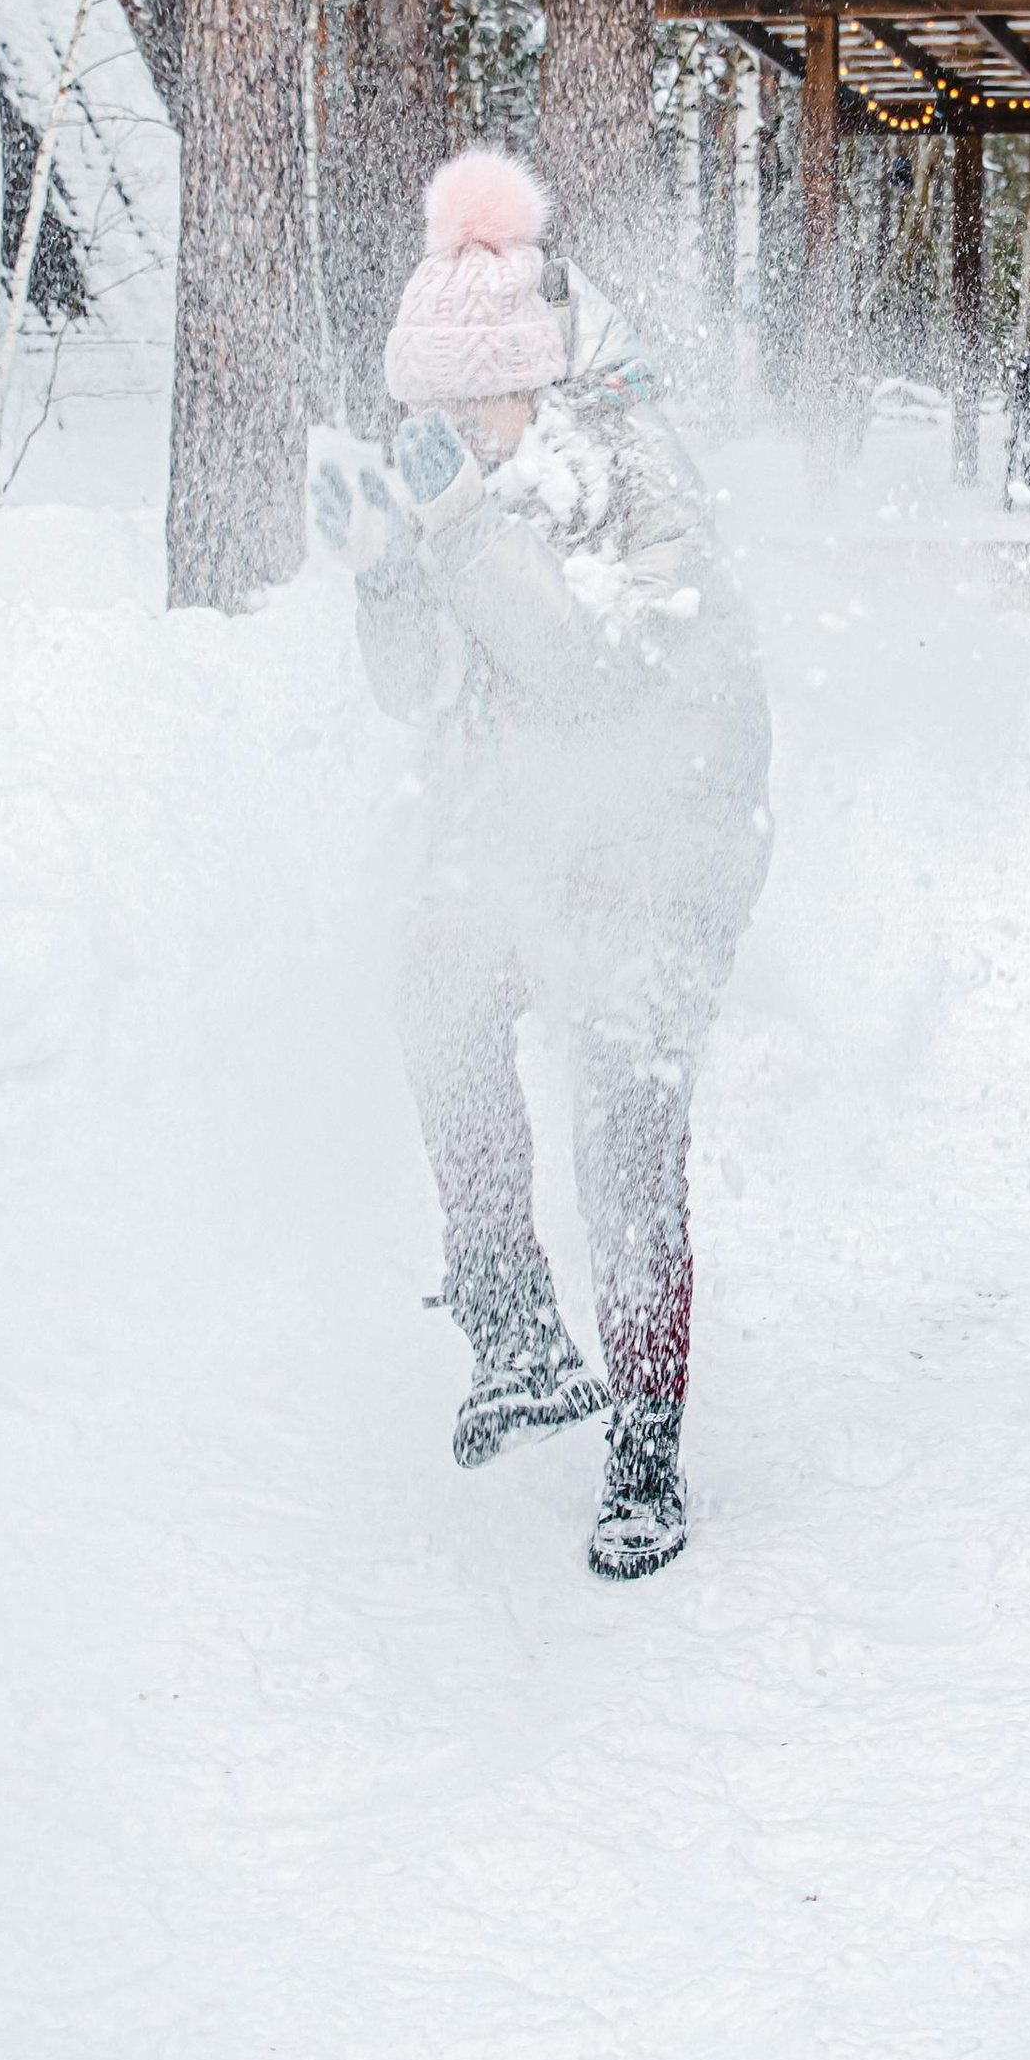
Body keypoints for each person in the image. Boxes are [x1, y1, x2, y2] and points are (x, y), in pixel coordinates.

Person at [312, 149, 771, 1580]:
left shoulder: (634, 476)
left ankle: (646, 1439)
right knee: (438, 991)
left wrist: (454, 533)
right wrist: (390, 574)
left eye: (467, 407)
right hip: (532, 826)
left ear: (535, 385)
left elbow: (583, 670)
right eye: (424, 413)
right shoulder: (474, 485)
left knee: (624, 1127)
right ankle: (514, 1338)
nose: (445, 433)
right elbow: (422, 694)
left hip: (674, 831)